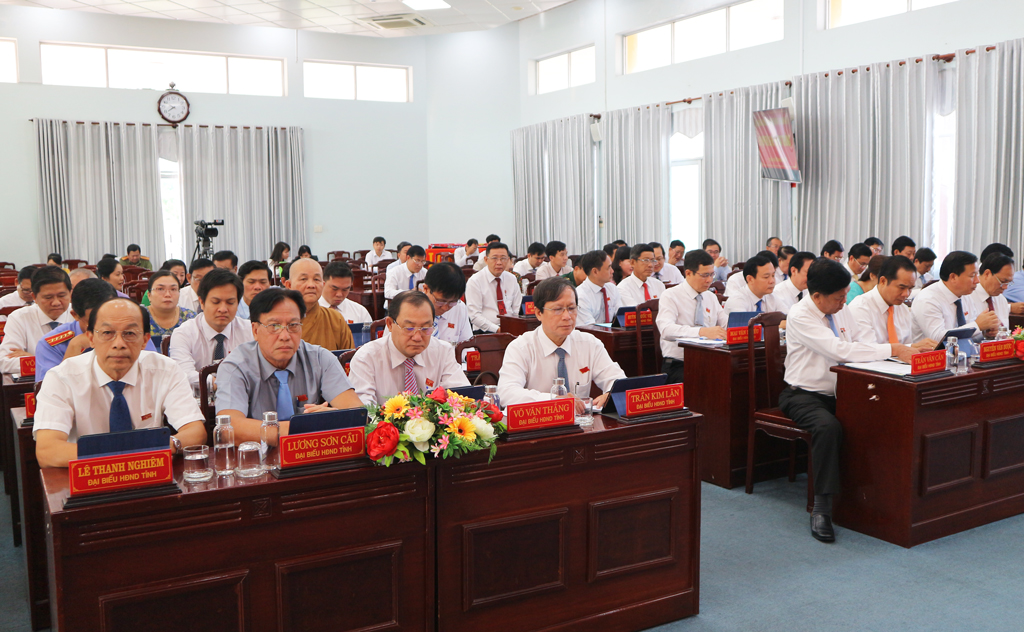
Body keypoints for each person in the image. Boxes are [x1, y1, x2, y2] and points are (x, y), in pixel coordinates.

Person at [781, 258, 916, 542]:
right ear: (816, 296)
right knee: (828, 428)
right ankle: (822, 508)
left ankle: (875, 499)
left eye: (846, 294)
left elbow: (861, 345)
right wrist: (892, 348)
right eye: (839, 297)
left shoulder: (842, 310)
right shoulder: (800, 315)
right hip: (804, 395)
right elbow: (841, 350)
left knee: (878, 416)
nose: (845, 301)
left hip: (844, 392)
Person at [33, 298, 206, 468]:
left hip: (148, 472)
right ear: (91, 338)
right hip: (87, 477)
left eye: (129, 334)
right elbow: (48, 451)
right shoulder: (61, 377)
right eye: (108, 333)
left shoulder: (165, 370)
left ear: (145, 340)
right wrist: (120, 457)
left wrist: (168, 445)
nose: (119, 344)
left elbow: (195, 432)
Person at [216, 288, 364, 443]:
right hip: (257, 460)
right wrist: (311, 426)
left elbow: (356, 414)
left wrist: (332, 417)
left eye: (293, 325)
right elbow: (229, 428)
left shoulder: (320, 359)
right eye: (274, 326)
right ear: (255, 330)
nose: (285, 336)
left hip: (311, 455)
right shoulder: (235, 367)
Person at [497, 277, 626, 409]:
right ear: (538, 313)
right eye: (558, 309)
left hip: (583, 425)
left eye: (571, 308)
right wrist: (554, 400)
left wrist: (611, 394)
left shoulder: (590, 343)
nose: (567, 316)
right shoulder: (521, 348)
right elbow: (506, 393)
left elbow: (618, 381)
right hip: (539, 424)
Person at [348, 291, 470, 405]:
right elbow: (364, 413)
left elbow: (462, 400)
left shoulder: (443, 351)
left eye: (425, 328)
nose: (417, 337)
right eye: (409, 328)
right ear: (390, 324)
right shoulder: (366, 358)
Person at [169, 268, 253, 388]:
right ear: (202, 302)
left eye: (230, 302)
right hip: (196, 403)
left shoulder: (249, 330)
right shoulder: (183, 333)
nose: (223, 309)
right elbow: (184, 374)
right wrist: (224, 385)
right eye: (215, 302)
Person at [656, 250, 728, 383]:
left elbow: (726, 325)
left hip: (710, 360)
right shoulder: (671, 295)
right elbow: (666, 330)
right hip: (679, 364)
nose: (709, 280)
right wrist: (702, 332)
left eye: (712, 274)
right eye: (704, 275)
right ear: (688, 273)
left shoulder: (710, 296)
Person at [35, 279, 116, 383]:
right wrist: (74, 348)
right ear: (75, 315)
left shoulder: (134, 335)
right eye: (95, 322)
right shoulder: (51, 345)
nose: (106, 329)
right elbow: (50, 393)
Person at [849, 256, 937, 348]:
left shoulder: (902, 309)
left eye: (910, 288)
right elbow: (869, 351)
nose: (906, 294)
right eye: (901, 288)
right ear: (883, 281)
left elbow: (906, 345)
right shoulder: (860, 308)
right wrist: (909, 348)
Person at [911, 251, 999, 342]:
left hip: (961, 354)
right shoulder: (928, 299)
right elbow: (937, 338)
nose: (977, 281)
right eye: (972, 275)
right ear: (953, 277)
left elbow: (968, 337)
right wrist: (977, 326)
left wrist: (985, 333)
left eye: (977, 275)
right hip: (931, 355)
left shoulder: (965, 296)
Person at [0, 266, 74, 374]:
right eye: (48, 297)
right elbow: (5, 363)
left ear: (70, 293)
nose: (56, 302)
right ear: (34, 297)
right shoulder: (19, 318)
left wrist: (34, 359)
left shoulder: (80, 314)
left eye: (62, 295)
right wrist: (65, 363)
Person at [285, 258, 354, 351]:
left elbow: (348, 361)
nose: (311, 285)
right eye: (303, 279)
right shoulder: (276, 321)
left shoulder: (336, 319)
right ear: (289, 285)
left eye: (316, 279)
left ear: (323, 284)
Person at [466, 242, 522, 333]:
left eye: (503, 258)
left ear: (508, 260)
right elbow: (474, 315)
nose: (499, 263)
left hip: (510, 328)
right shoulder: (475, 281)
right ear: (486, 260)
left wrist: (513, 325)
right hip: (484, 330)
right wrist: (497, 329)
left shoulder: (512, 278)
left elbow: (516, 308)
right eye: (494, 258)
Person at [421, 262, 472, 345]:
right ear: (426, 289)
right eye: (440, 301)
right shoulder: (409, 309)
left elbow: (467, 345)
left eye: (452, 302)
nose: (445, 308)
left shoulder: (459, 307)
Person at [966, 254, 1018, 334]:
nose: (1005, 287)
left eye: (1009, 283)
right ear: (987, 274)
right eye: (1003, 281)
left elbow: (1005, 332)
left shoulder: (1001, 299)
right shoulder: (967, 296)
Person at [146, 271, 195, 343]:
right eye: (160, 289)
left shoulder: (190, 318)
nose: (168, 294)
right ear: (149, 295)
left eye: (173, 289)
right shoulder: (138, 317)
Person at [576, 250, 621, 326]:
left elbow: (621, 316)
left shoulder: (612, 288)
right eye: (609, 268)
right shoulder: (580, 295)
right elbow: (589, 328)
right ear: (595, 271)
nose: (612, 271)